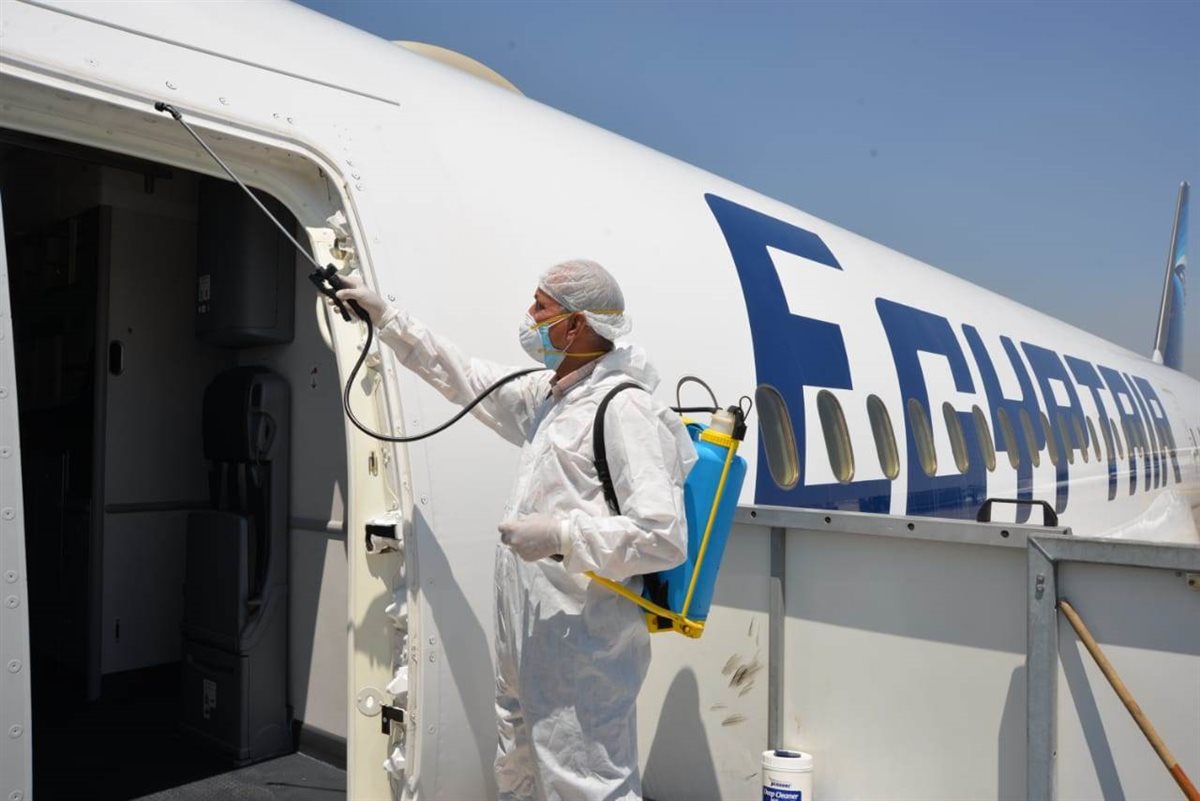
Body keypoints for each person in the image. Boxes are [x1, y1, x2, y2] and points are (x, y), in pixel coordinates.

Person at [336, 259, 696, 801]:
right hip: (529, 639)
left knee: (587, 786)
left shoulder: (626, 408)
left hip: (583, 650)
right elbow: (463, 375)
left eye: (541, 306)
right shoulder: (551, 398)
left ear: (575, 325)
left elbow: (662, 537)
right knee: (517, 766)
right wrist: (386, 319)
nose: (529, 315)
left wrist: (561, 536)